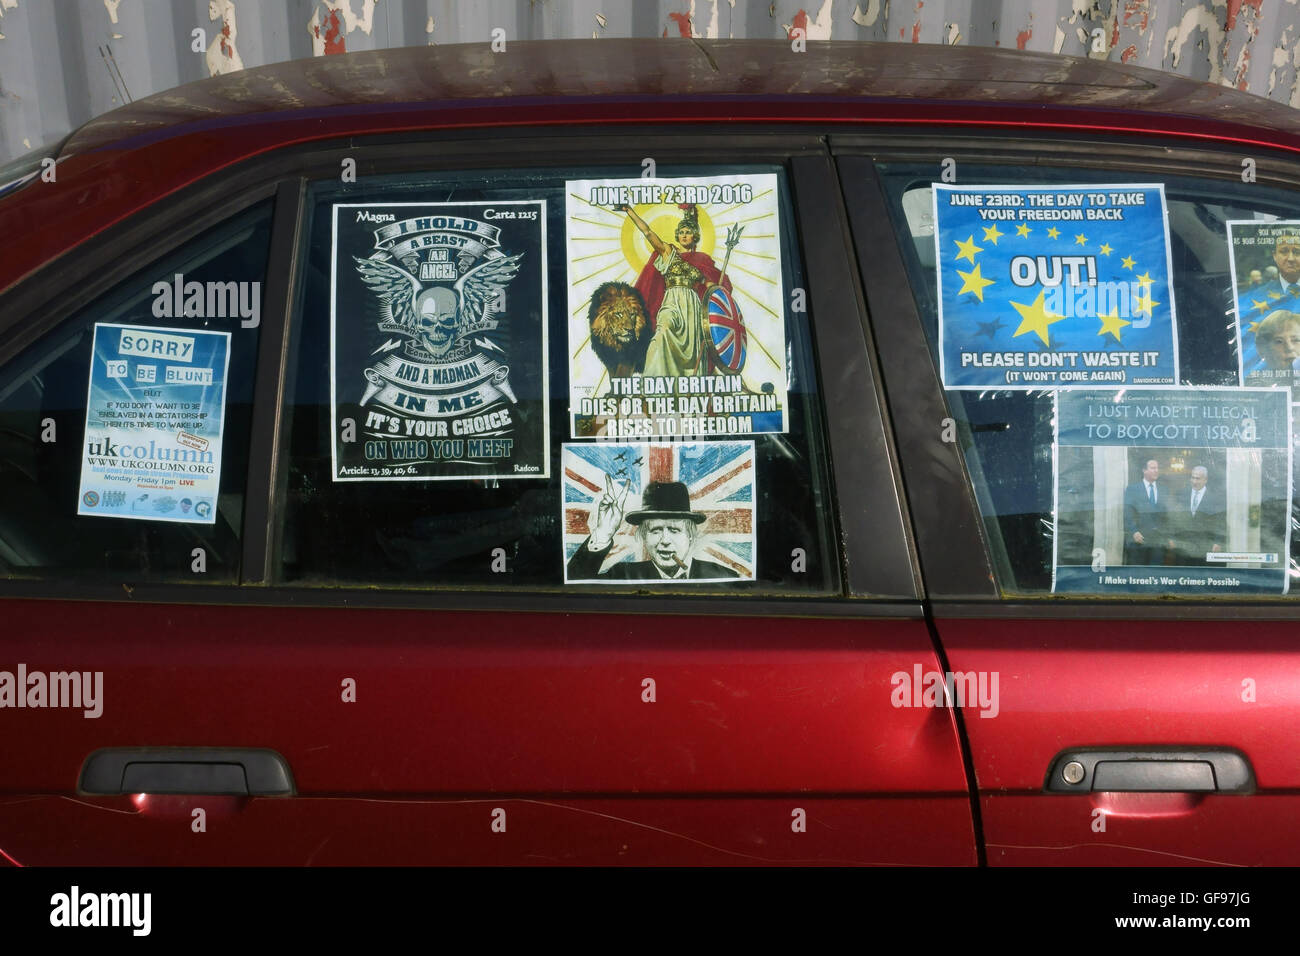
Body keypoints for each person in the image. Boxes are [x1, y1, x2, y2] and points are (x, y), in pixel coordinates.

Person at [617, 203, 732, 378]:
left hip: (692, 305)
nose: (684, 235)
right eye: (682, 232)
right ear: (677, 235)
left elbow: (711, 288)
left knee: (692, 350)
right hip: (672, 300)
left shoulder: (701, 260)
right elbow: (647, 232)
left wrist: (716, 287)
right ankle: (653, 380)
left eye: (688, 232)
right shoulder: (668, 251)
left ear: (695, 236)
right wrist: (629, 212)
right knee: (663, 331)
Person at [567, 477, 739, 580]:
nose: (664, 541)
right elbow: (571, 589)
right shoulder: (622, 574)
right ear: (643, 535)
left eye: (674, 530)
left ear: (691, 535)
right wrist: (602, 536)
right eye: (655, 530)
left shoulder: (723, 577)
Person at [1239, 233, 1300, 368]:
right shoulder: (1250, 299)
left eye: (1297, 252)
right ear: (1274, 255)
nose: (1290, 258)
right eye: (1284, 251)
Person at [1123, 458, 1173, 566]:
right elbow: (1127, 512)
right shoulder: (1132, 489)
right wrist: (1134, 531)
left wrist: (1167, 536)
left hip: (1158, 541)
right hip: (1139, 540)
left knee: (1155, 572)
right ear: (1144, 470)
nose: (1156, 470)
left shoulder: (1164, 490)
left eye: (1157, 468)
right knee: (1137, 574)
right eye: (1153, 468)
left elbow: (1167, 515)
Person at [1171, 466, 1225, 566]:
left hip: (1206, 546)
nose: (1194, 481)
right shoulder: (1182, 494)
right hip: (1184, 547)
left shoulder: (1215, 498)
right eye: (1193, 478)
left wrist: (1218, 542)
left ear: (1205, 480)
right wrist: (1172, 537)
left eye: (1198, 478)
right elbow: (1174, 518)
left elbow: (1221, 522)